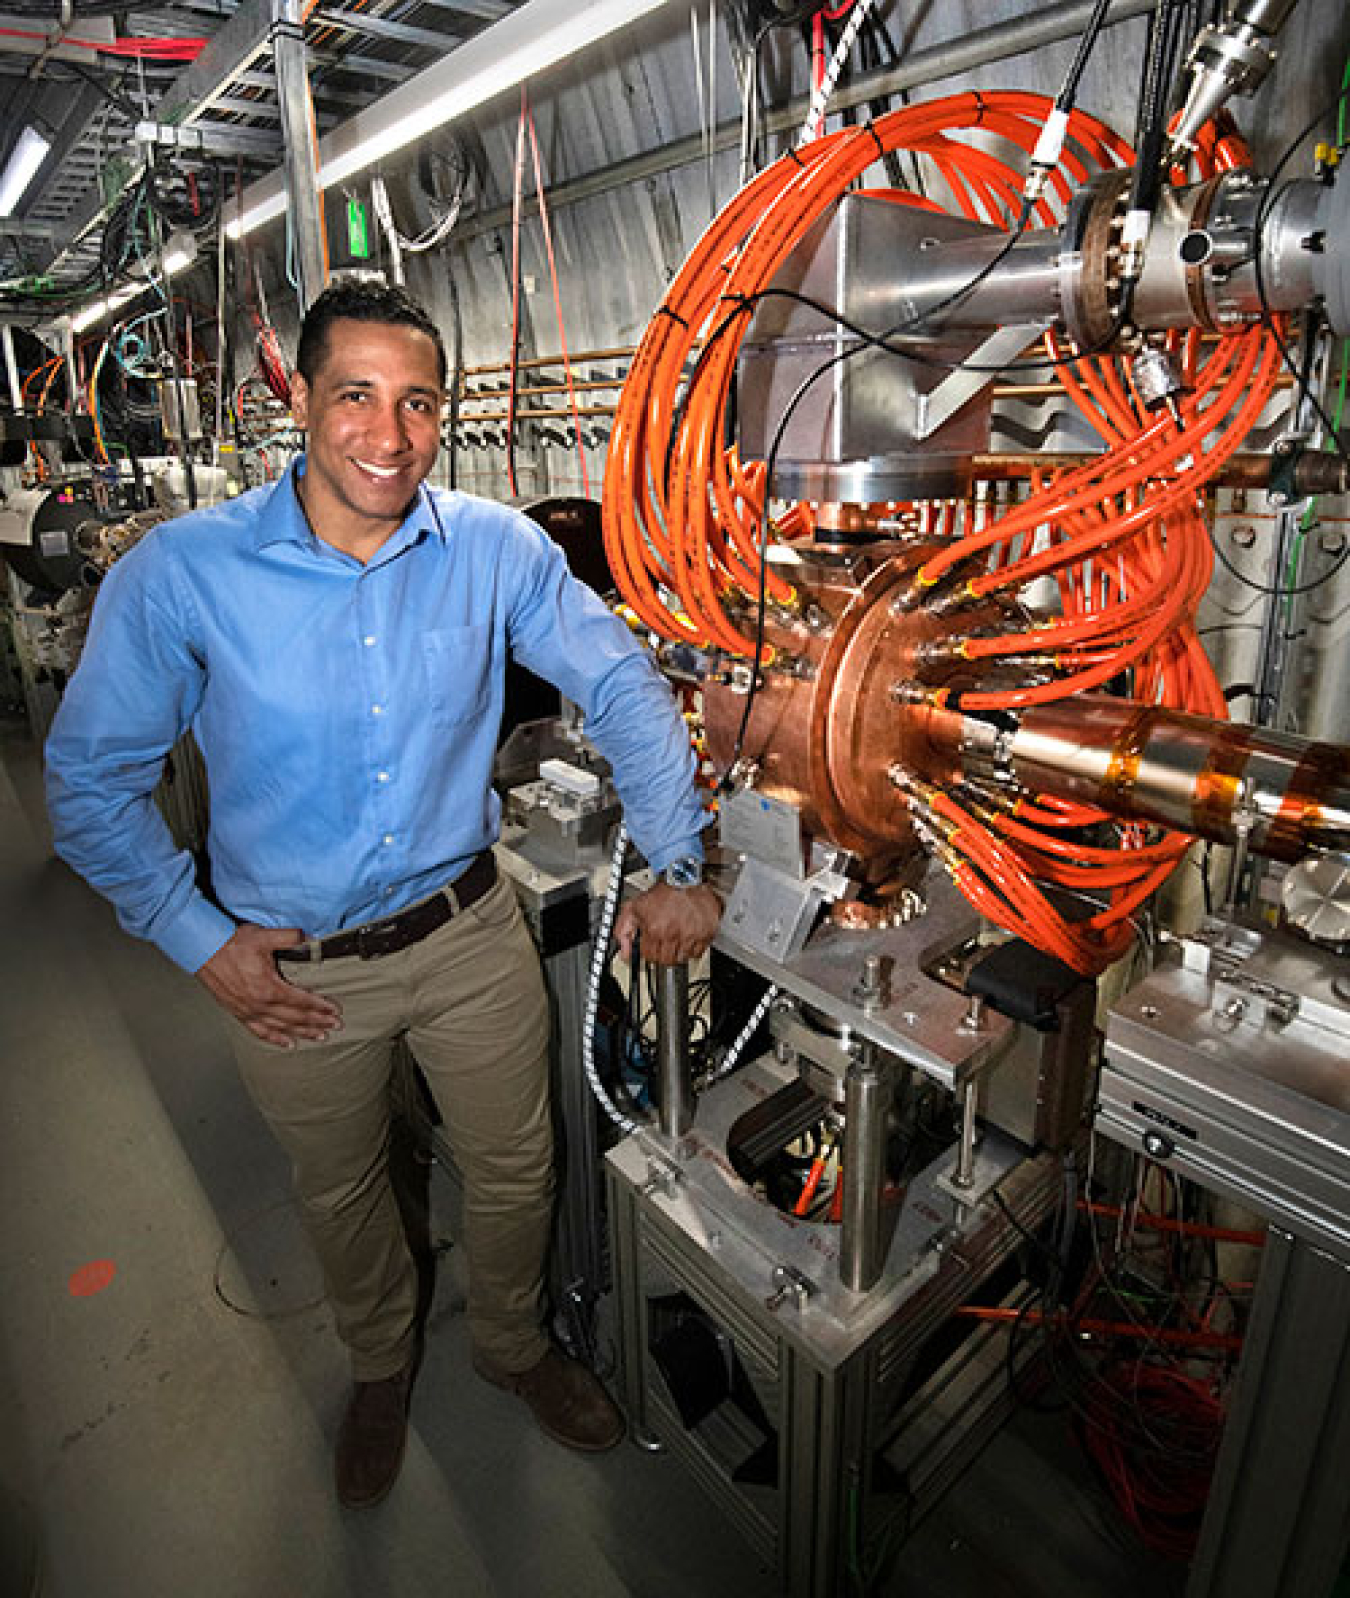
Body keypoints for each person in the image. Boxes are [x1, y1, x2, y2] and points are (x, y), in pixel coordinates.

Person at [44, 278, 722, 1509]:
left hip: (469, 934)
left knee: (517, 1164)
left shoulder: (495, 550)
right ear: (298, 399)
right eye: (354, 394)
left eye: (418, 402)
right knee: (343, 1182)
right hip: (294, 968)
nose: (388, 434)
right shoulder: (184, 574)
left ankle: (510, 1345)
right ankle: (378, 1360)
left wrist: (678, 860)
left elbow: (621, 681)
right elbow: (89, 783)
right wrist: (201, 940)